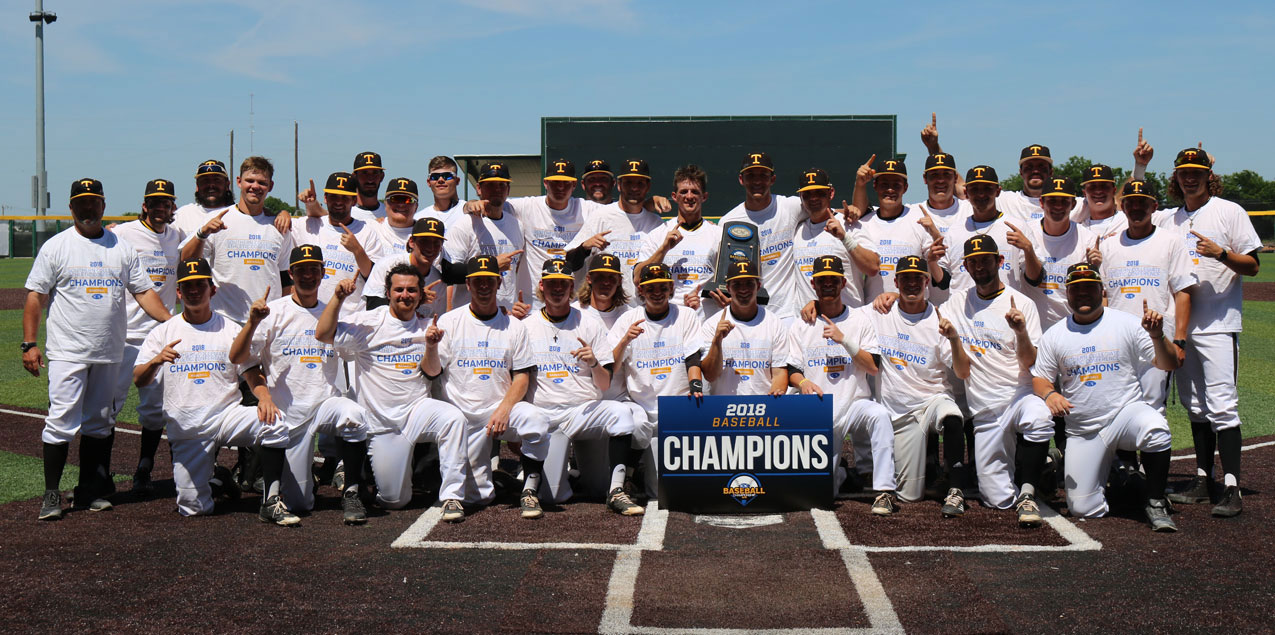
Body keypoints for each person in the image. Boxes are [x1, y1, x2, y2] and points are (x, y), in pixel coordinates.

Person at [25, 178, 173, 520]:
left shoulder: (120, 248)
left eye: (94, 202)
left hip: (109, 350)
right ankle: (51, 495)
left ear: (103, 206)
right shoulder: (57, 246)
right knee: (61, 421)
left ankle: (89, 491)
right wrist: (30, 343)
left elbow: (143, 292)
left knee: (99, 423)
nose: (88, 208)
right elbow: (36, 296)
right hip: (67, 351)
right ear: (72, 207)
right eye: (81, 203)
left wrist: (171, 323)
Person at [133, 258, 296, 525]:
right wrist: (155, 361)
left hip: (225, 415)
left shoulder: (231, 329)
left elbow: (251, 370)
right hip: (188, 427)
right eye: (187, 286)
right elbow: (139, 379)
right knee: (194, 508)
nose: (194, 291)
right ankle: (219, 479)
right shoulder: (163, 332)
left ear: (213, 289)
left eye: (200, 285)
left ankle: (271, 500)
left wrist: (265, 397)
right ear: (178, 292)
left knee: (275, 423)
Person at [230, 245, 379, 525]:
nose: (308, 275)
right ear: (291, 273)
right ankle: (296, 481)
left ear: (323, 273)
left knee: (354, 415)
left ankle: (351, 490)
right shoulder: (271, 312)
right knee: (301, 503)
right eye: (301, 270)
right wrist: (251, 324)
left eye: (314, 269)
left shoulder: (332, 312)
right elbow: (240, 359)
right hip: (288, 413)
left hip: (325, 403)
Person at [1032, 263, 1181, 531]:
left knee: (1156, 429)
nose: (1083, 294)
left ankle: (1155, 500)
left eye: (1090, 287)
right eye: (1076, 289)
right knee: (1083, 509)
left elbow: (1168, 363)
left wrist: (1158, 335)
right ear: (1067, 294)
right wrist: (1050, 394)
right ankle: (1127, 479)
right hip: (1084, 429)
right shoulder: (1054, 334)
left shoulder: (1127, 323)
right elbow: (1040, 378)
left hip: (1125, 414)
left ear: (1102, 291)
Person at [316, 265, 471, 520]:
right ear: (388, 293)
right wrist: (338, 297)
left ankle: (452, 497)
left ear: (420, 294)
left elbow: (432, 373)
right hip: (381, 423)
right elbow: (322, 334)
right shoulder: (369, 322)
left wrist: (431, 346)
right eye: (399, 290)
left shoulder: (427, 325)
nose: (405, 295)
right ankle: (367, 479)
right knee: (396, 501)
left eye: (412, 290)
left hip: (416, 412)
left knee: (453, 419)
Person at [1157, 147, 1262, 517]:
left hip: (1218, 322)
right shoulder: (1167, 219)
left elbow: (1252, 265)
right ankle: (1204, 478)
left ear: (1208, 174)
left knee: (1222, 403)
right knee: (1194, 404)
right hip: (1179, 325)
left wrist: (1220, 254)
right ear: (1176, 175)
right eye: (1184, 171)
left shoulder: (1228, 211)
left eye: (1196, 170)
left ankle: (1231, 486)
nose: (1190, 176)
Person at [423, 256, 551, 518]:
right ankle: (468, 490)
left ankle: (529, 489)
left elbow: (522, 377)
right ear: (468, 284)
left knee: (537, 421)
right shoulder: (449, 321)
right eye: (478, 281)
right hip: (460, 417)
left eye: (489, 281)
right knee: (479, 497)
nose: (484, 286)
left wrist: (504, 409)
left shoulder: (514, 326)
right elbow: (433, 372)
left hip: (498, 410)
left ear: (499, 282)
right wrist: (432, 347)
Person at [940, 235, 1052, 527]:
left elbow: (1030, 362)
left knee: (1040, 418)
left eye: (985, 260)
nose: (979, 266)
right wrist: (954, 339)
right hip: (985, 410)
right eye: (973, 261)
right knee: (998, 501)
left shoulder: (1022, 304)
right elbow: (962, 373)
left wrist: (1021, 332)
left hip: (1019, 397)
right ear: (965, 265)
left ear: (999, 261)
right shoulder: (956, 305)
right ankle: (1027, 471)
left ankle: (1028, 490)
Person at [523, 259, 642, 514]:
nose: (557, 290)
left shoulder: (588, 322)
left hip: (582, 411)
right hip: (545, 415)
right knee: (553, 496)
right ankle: (539, 482)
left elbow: (604, 382)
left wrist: (595, 362)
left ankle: (617, 490)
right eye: (552, 284)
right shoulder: (527, 326)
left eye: (563, 284)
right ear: (542, 286)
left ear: (572, 286)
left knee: (622, 414)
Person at [785, 256, 897, 514]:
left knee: (879, 415)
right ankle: (843, 474)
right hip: (820, 410)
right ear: (813, 284)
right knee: (823, 494)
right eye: (822, 280)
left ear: (843, 283)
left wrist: (844, 340)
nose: (827, 285)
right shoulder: (802, 323)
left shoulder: (859, 320)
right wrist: (802, 382)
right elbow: (792, 369)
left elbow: (872, 366)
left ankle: (884, 491)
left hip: (855, 404)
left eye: (833, 280)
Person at [864, 255, 967, 512]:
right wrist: (813, 303)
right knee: (909, 496)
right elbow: (842, 314)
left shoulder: (940, 319)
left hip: (933, 400)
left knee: (953, 416)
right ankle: (928, 477)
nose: (912, 284)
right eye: (906, 278)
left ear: (927, 282)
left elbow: (963, 372)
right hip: (900, 414)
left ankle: (955, 489)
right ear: (896, 282)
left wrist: (954, 339)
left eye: (917, 279)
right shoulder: (879, 313)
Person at [110, 179, 184, 495]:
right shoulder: (122, 234)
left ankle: (144, 467)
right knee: (108, 407)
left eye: (166, 203)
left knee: (154, 410)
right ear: (145, 205)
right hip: (124, 335)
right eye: (155, 202)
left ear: (172, 207)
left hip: (158, 336)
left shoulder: (177, 237)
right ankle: (99, 473)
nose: (160, 208)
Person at [608, 263, 705, 499]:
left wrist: (695, 386)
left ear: (671, 287)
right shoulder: (628, 319)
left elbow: (692, 357)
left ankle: (639, 472)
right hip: (640, 404)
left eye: (662, 287)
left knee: (663, 492)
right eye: (651, 288)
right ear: (641, 290)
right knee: (635, 422)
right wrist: (624, 341)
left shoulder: (686, 315)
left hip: (676, 407)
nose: (657, 292)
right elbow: (610, 366)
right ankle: (628, 475)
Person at [1098, 179, 1195, 413]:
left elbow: (1183, 292)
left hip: (1157, 338)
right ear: (1123, 207)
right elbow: (1104, 296)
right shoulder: (1109, 245)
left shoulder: (1171, 241)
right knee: (1117, 407)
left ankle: (1154, 450)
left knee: (1152, 407)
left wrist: (1179, 341)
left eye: (1143, 203)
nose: (1136, 208)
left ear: (1154, 207)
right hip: (1117, 338)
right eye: (1130, 203)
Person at [181, 156, 294, 325]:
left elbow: (286, 278)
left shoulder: (278, 226)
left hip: (269, 320)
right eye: (250, 181)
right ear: (239, 182)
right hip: (226, 322)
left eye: (262, 183)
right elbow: (186, 260)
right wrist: (202, 234)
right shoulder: (218, 219)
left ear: (270, 186)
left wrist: (285, 316)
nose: (255, 186)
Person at [718, 152, 807, 317]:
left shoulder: (789, 207)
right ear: (741, 179)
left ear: (772, 179)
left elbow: (823, 211)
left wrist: (854, 211)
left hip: (787, 313)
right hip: (747, 313)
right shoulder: (728, 221)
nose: (757, 181)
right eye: (751, 175)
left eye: (763, 175)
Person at [566, 159, 666, 305]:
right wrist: (584, 247)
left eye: (640, 183)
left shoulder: (656, 224)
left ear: (648, 187)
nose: (634, 188)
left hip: (644, 306)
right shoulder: (601, 216)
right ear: (619, 185)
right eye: (628, 183)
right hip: (607, 306)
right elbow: (569, 263)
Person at [292, 172, 389, 317]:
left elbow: (375, 277)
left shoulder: (366, 231)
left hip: (350, 318)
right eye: (334, 197)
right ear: (325, 198)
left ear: (354, 201)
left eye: (345, 198)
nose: (338, 202)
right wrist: (283, 214)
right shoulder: (307, 225)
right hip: (311, 316)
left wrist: (357, 250)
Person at [851, 157, 942, 303]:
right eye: (884, 184)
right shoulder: (864, 224)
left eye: (896, 185)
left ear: (905, 188)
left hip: (913, 313)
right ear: (875, 186)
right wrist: (859, 183)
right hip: (875, 313)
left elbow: (938, 270)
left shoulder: (919, 219)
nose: (890, 190)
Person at [444, 162, 530, 314]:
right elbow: (449, 273)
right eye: (490, 185)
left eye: (502, 185)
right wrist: (491, 266)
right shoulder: (465, 224)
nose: (497, 190)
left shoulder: (517, 225)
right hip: (470, 317)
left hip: (506, 317)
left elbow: (513, 274)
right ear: (478, 188)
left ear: (508, 189)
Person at [636, 164, 722, 315]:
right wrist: (664, 249)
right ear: (675, 197)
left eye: (695, 192)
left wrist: (705, 297)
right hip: (668, 323)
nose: (689, 196)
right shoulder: (658, 234)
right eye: (683, 192)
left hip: (706, 323)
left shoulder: (717, 235)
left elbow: (730, 284)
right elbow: (637, 278)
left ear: (704, 197)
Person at [700, 260, 794, 397]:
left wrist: (773, 400)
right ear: (728, 288)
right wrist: (717, 341)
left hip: (763, 410)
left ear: (758, 286)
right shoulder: (712, 324)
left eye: (749, 284)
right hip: (722, 412)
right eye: (737, 285)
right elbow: (710, 375)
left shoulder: (774, 324)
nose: (743, 290)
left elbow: (779, 373)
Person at [1015, 176, 1099, 329]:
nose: (1058, 206)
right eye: (1052, 201)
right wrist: (1028, 249)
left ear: (1073, 204)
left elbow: (1096, 295)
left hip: (1071, 328)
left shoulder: (1087, 239)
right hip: (1032, 328)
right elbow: (1031, 279)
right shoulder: (1026, 232)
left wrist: (1096, 268)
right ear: (1041, 203)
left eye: (1064, 201)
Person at [791, 168, 878, 312]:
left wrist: (844, 238)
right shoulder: (797, 230)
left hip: (848, 319)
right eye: (807, 194)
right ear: (800, 197)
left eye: (819, 193)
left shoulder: (849, 225)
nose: (813, 198)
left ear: (830, 193)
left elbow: (873, 267)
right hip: (809, 324)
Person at [365, 217, 450, 319]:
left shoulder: (438, 281)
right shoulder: (387, 265)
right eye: (424, 241)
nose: (430, 248)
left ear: (441, 246)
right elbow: (373, 308)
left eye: (436, 243)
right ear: (411, 242)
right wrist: (416, 301)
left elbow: (436, 320)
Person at [173, 159, 234, 237]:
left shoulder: (239, 214)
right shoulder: (182, 216)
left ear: (227, 185)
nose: (211, 185)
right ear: (197, 186)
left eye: (217, 180)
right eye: (205, 181)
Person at [375, 177, 423, 254]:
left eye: (408, 200)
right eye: (395, 199)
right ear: (385, 203)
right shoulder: (372, 229)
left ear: (416, 206)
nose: (401, 204)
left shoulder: (425, 236)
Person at [417, 156, 465, 221]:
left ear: (457, 181)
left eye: (447, 176)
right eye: (435, 177)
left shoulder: (470, 212)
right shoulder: (419, 219)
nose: (440, 180)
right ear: (428, 182)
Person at [350, 151, 387, 222]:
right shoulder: (345, 214)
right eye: (364, 173)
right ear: (354, 177)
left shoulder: (390, 215)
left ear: (381, 177)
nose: (370, 179)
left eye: (375, 173)